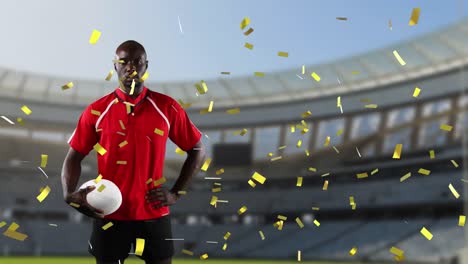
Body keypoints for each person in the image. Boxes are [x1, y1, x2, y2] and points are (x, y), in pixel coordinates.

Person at [61, 40, 206, 264]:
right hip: (107, 212)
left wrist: (176, 193)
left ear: (146, 66)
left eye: (137, 62)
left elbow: (197, 150)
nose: (131, 67)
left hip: (154, 214)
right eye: (124, 62)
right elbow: (73, 156)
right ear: (115, 66)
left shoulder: (167, 107)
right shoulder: (96, 110)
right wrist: (69, 193)